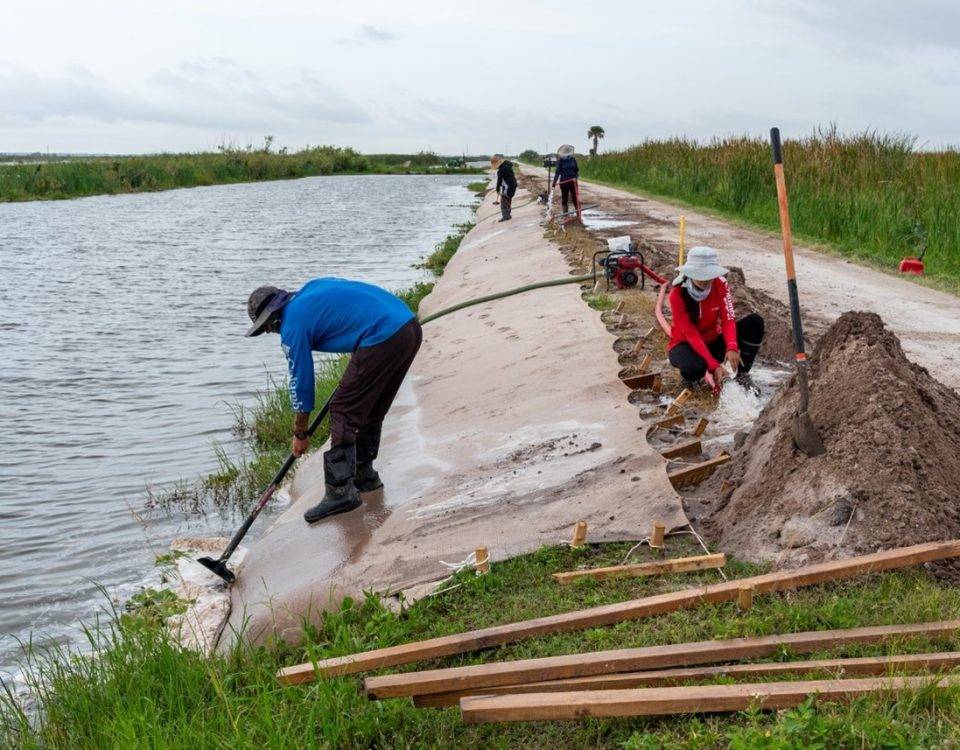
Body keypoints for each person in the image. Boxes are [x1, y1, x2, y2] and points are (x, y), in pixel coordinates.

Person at [245, 278, 422, 524]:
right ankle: (364, 475)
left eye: (267, 327)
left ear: (274, 316)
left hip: (383, 335)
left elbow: (301, 380)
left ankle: (340, 492)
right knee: (371, 407)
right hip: (408, 327)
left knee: (342, 409)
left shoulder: (291, 325)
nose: (270, 332)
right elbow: (351, 315)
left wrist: (300, 432)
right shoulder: (309, 292)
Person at [666, 246, 764, 388]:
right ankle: (693, 378)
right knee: (693, 369)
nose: (704, 280)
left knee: (755, 322)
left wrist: (731, 346)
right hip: (686, 344)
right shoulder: (677, 294)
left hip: (712, 342)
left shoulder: (721, 284)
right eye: (700, 275)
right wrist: (713, 366)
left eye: (708, 275)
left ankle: (742, 376)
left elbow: (728, 319)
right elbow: (690, 333)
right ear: (690, 273)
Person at [552, 148, 580, 214]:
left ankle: (578, 215)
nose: (566, 155)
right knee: (565, 199)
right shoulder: (560, 161)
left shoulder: (573, 159)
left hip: (573, 182)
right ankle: (565, 215)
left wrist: (575, 178)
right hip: (564, 183)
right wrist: (554, 184)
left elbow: (576, 170)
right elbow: (557, 173)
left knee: (575, 199)